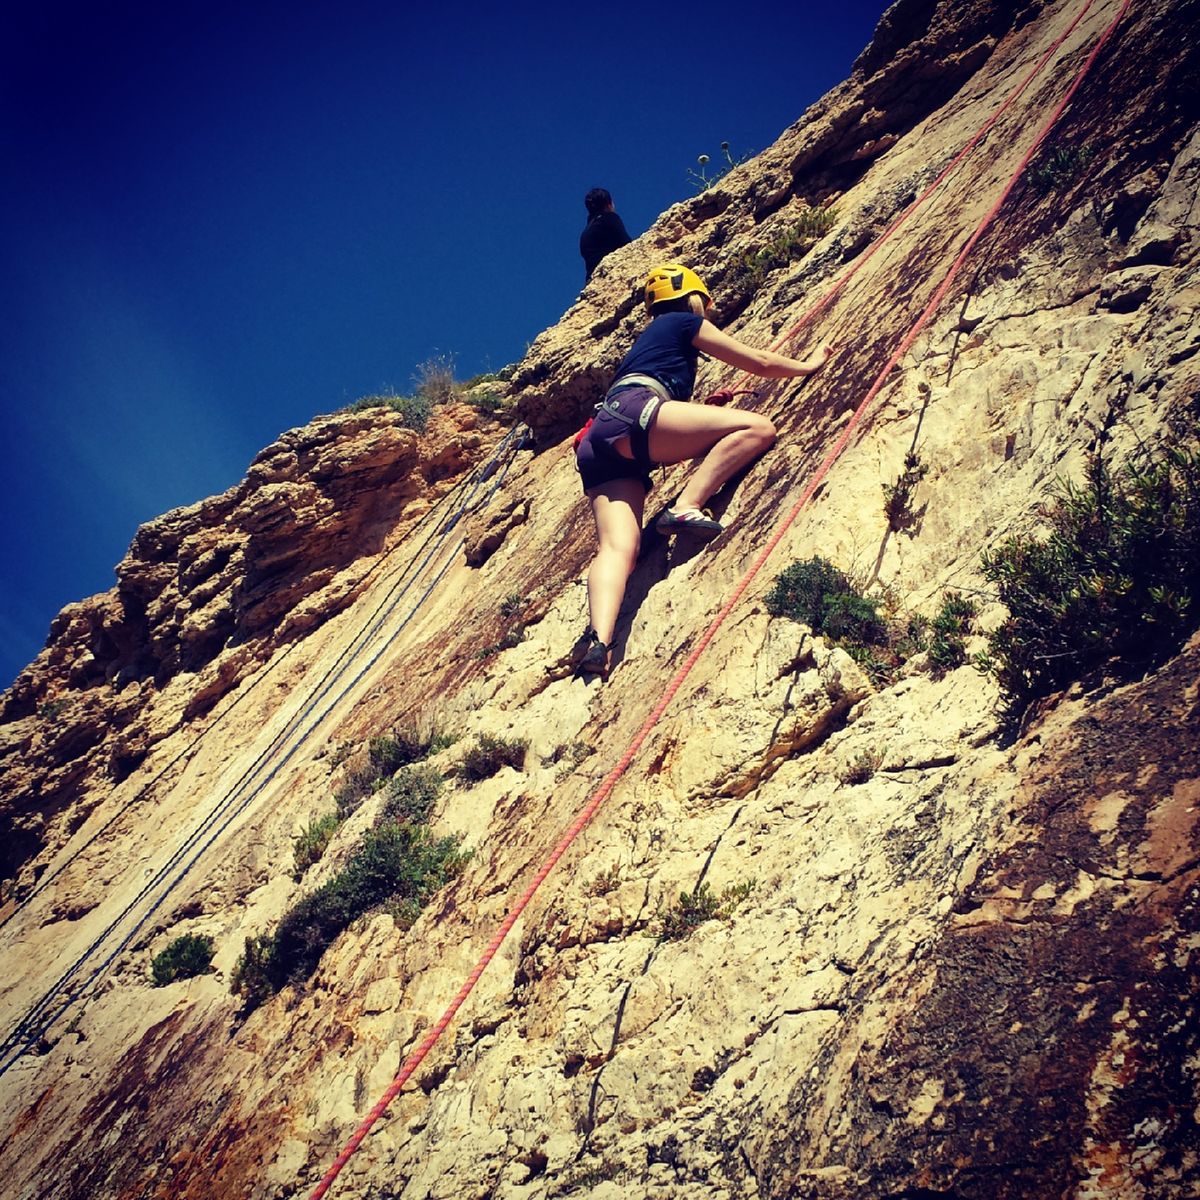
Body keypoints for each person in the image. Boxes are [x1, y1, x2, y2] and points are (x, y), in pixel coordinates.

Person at [571, 263, 832, 677]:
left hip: (601, 439)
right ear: (697, 298)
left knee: (619, 549)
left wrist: (703, 410)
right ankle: (688, 506)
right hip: (638, 415)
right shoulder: (682, 321)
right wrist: (809, 365)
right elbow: (760, 362)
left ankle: (597, 642)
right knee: (758, 427)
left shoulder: (648, 340)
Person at [580, 188, 632, 281]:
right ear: (609, 204)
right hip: (611, 275)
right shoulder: (609, 218)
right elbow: (627, 245)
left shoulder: (585, 233)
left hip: (592, 279)